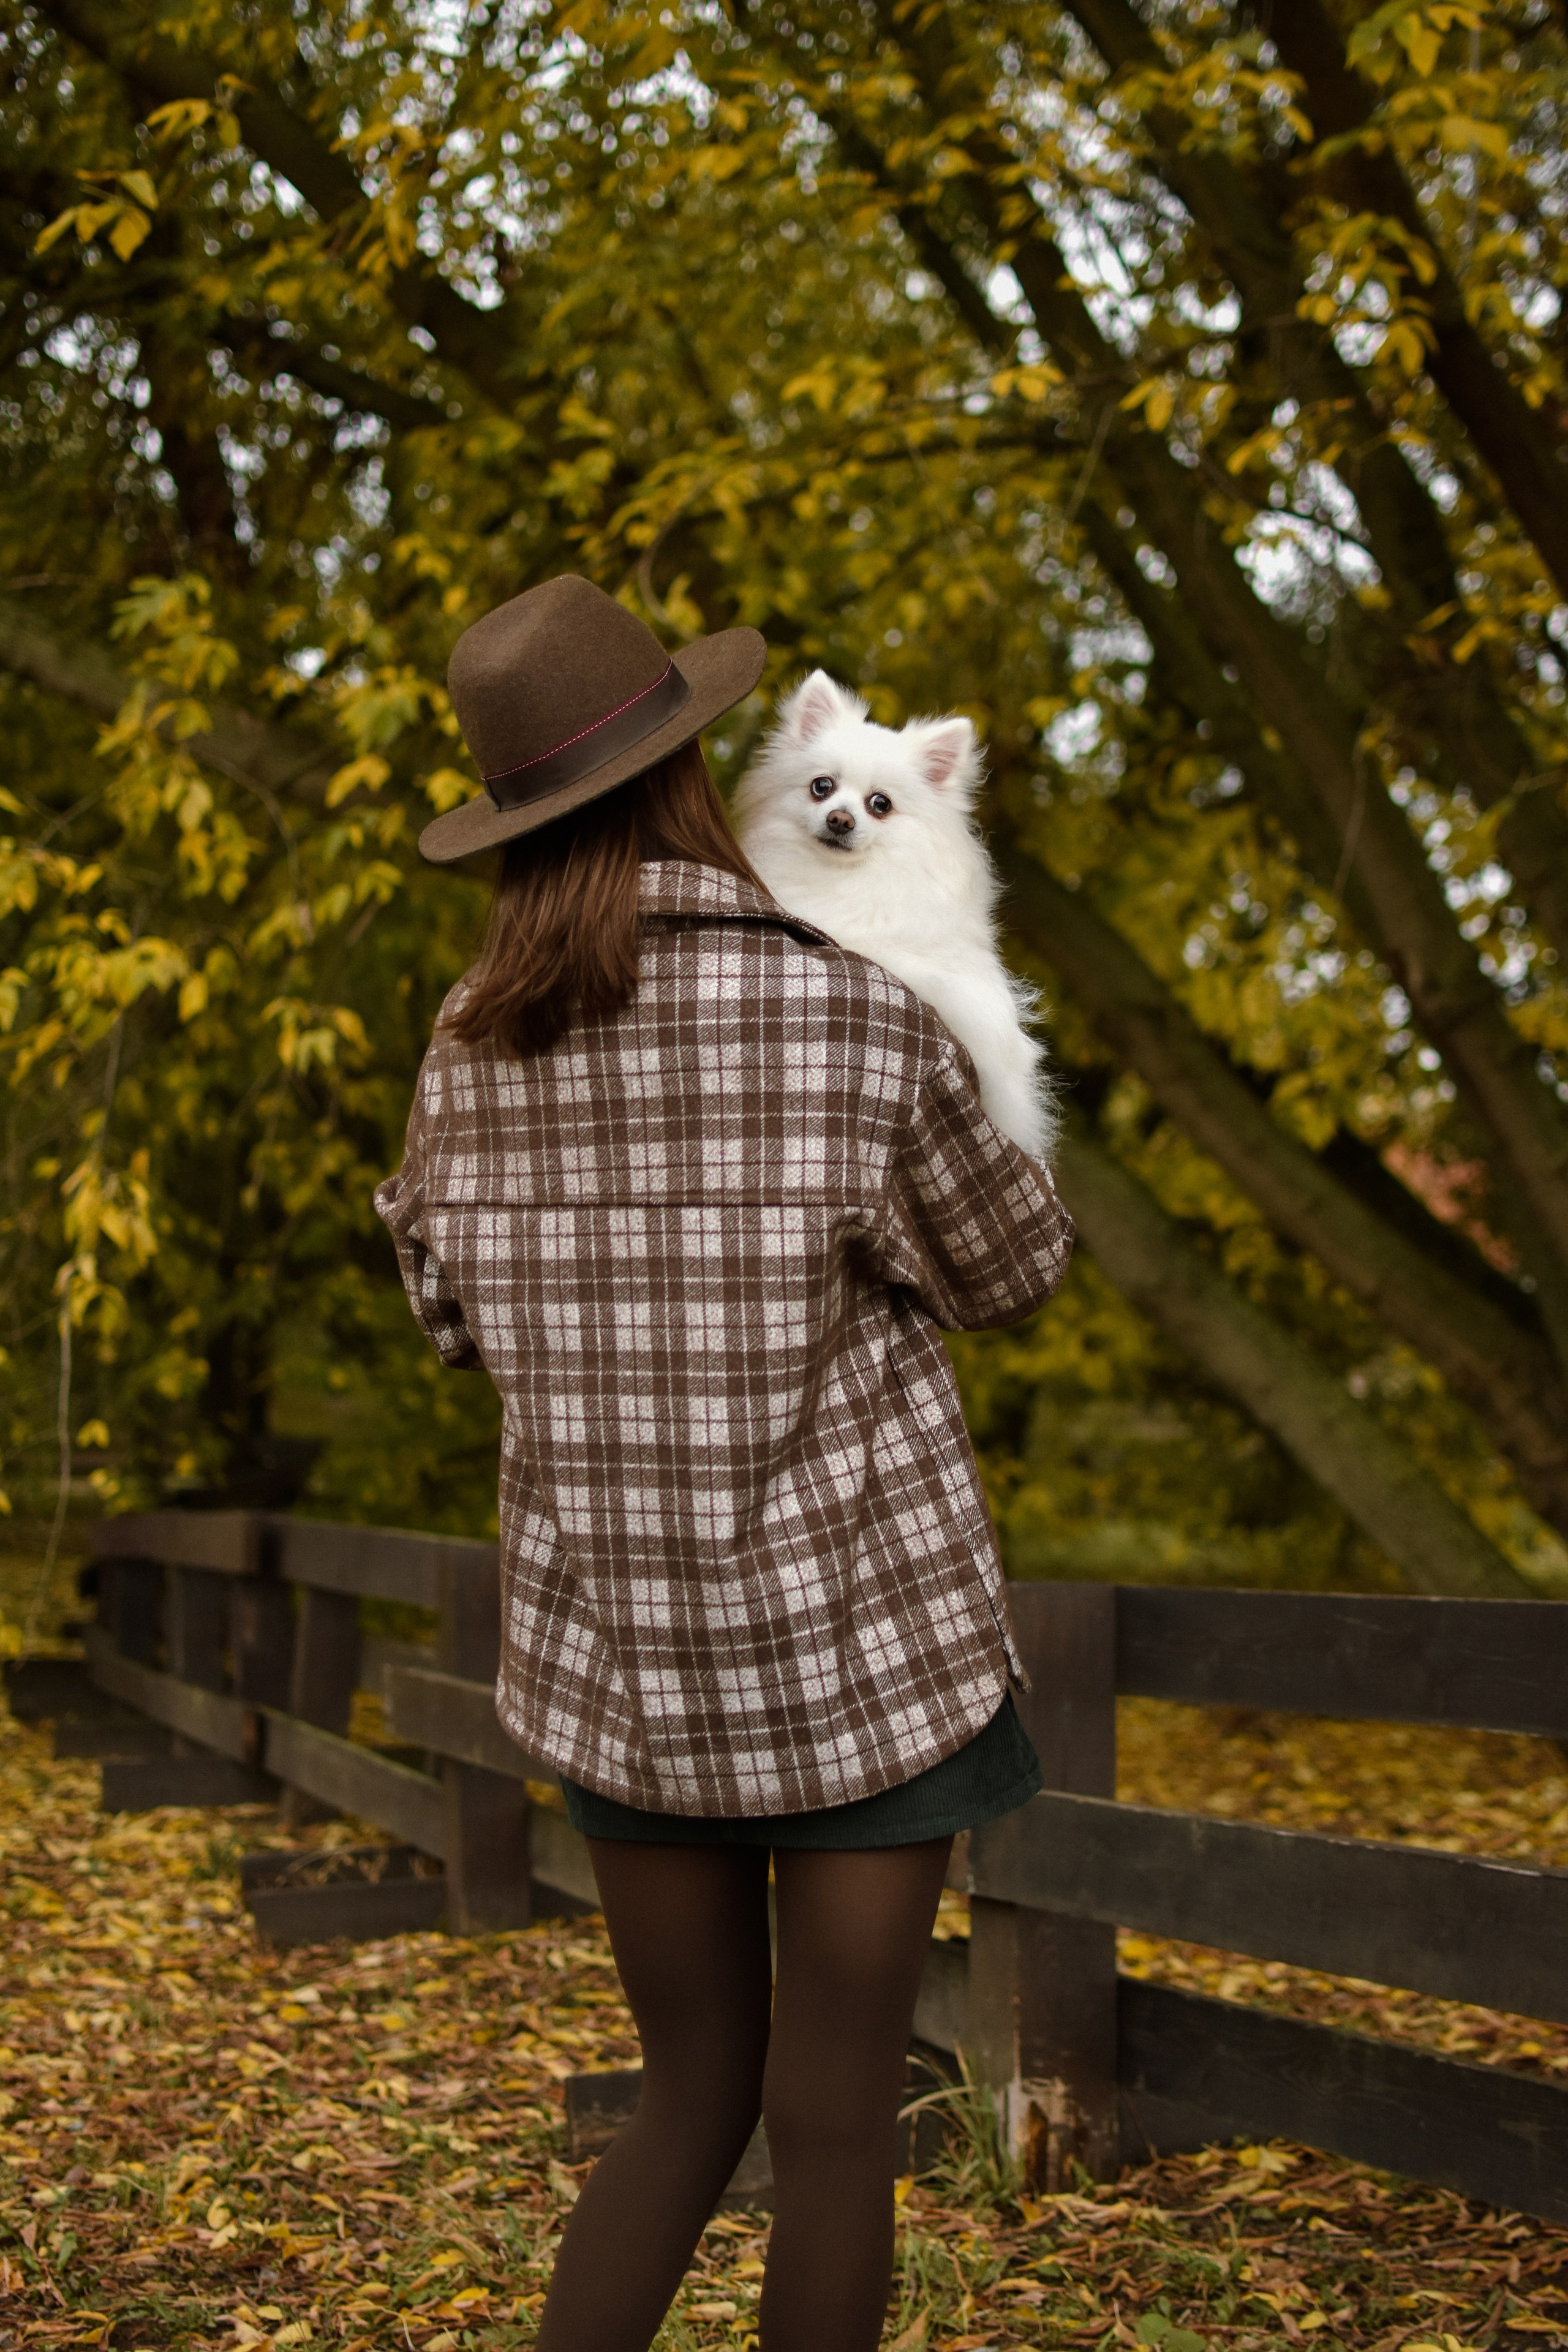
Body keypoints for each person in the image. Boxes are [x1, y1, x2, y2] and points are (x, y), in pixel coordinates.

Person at [376, 575, 1074, 2352]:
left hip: (629, 1665)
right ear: (697, 776)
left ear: (518, 824)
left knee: (686, 2102)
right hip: (865, 1654)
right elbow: (1013, 1274)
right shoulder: (856, 1020)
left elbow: (445, 1314)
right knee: (836, 2129)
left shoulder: (466, 1060)